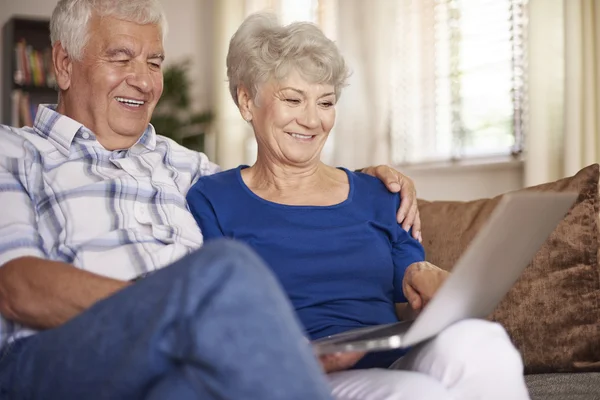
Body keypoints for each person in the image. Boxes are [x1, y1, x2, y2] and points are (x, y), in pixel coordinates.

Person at [0, 1, 423, 399]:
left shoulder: (187, 167)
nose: (145, 80)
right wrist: (179, 310)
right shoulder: (13, 151)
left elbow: (278, 191)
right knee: (227, 269)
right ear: (63, 64)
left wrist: (366, 184)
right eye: (121, 58)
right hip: (57, 353)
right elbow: (16, 286)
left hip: (185, 358)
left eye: (154, 62)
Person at [186, 13, 531, 400]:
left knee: (483, 341)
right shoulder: (213, 199)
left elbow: (410, 274)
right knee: (417, 393)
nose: (313, 119)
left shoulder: (378, 191)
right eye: (293, 99)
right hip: (301, 375)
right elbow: (217, 310)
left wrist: (429, 277)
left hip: (397, 355)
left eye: (326, 101)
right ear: (248, 101)